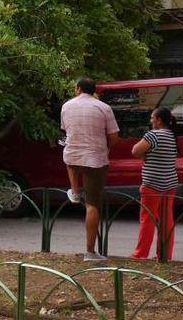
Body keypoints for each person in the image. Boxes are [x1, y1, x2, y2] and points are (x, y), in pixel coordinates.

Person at [60, 77, 119, 262]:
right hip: (95, 158)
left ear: (78, 89)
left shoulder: (66, 106)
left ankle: (75, 192)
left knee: (70, 160)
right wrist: (106, 148)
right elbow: (114, 136)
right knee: (92, 205)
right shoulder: (103, 107)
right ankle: (90, 252)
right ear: (94, 91)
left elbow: (66, 130)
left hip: (72, 156)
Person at [130, 107, 179, 261]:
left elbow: (135, 151)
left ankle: (140, 254)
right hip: (170, 183)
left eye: (152, 118)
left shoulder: (153, 135)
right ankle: (165, 255)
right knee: (167, 221)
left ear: (159, 120)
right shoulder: (172, 135)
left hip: (152, 185)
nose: (150, 120)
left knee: (148, 219)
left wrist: (145, 156)